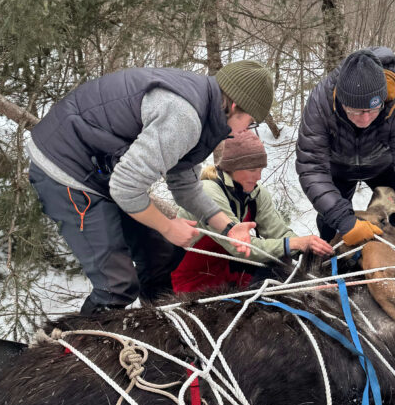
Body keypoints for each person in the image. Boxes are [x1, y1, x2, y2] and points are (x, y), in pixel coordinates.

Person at [27, 60, 274, 314]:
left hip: (102, 169)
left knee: (162, 259)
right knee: (116, 286)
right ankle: (78, 349)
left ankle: (156, 334)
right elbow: (126, 188)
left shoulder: (207, 114)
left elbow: (184, 185)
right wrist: (168, 227)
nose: (245, 130)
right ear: (234, 106)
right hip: (65, 167)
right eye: (250, 121)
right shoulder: (184, 116)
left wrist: (230, 227)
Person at [295, 47, 395, 275]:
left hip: (382, 165)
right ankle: (329, 274)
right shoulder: (321, 103)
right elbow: (312, 168)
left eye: (372, 110)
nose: (364, 119)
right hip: (339, 167)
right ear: (340, 100)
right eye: (355, 111)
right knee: (331, 224)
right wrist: (344, 220)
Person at [171, 130, 334, 293]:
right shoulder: (207, 191)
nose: (259, 176)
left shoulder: (256, 193)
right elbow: (239, 247)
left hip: (228, 272)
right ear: (232, 167)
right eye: (252, 169)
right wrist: (292, 244)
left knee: (281, 273)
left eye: (261, 169)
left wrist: (308, 250)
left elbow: (279, 232)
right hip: (192, 282)